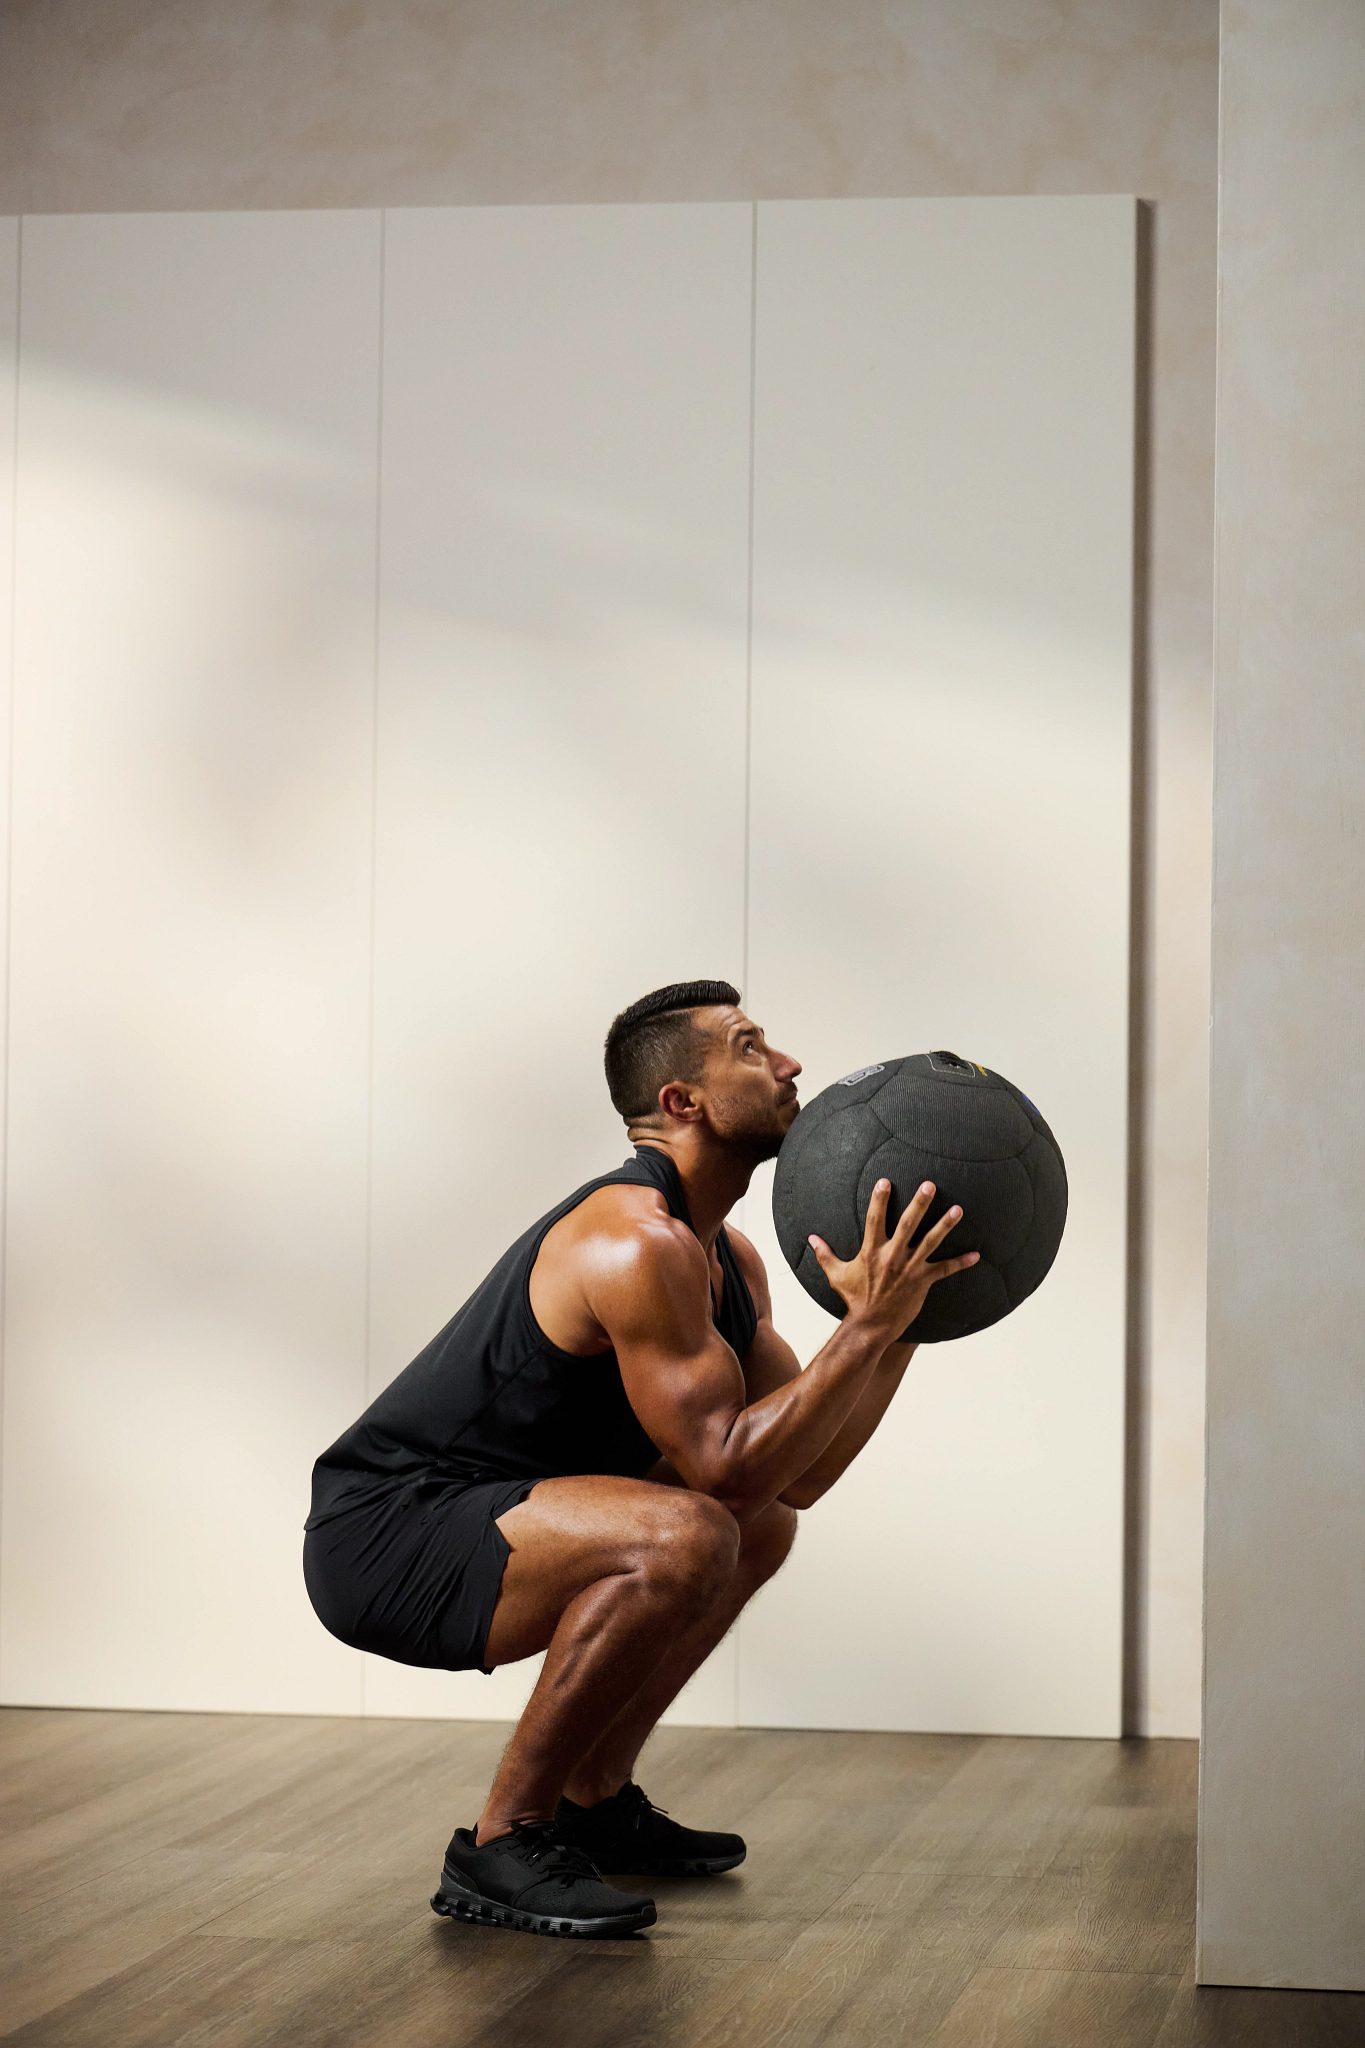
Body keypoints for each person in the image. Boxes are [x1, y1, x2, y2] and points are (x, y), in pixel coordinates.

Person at [301, 978, 978, 1938]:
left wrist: (909, 1320)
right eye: (750, 1048)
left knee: (755, 1528)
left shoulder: (725, 1258)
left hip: (500, 1511)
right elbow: (724, 1468)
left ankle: (591, 1800)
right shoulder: (633, 1241)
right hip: (384, 1534)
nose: (788, 1066)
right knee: (689, 1529)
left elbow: (797, 1476)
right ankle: (503, 1842)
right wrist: (862, 1330)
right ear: (679, 1103)